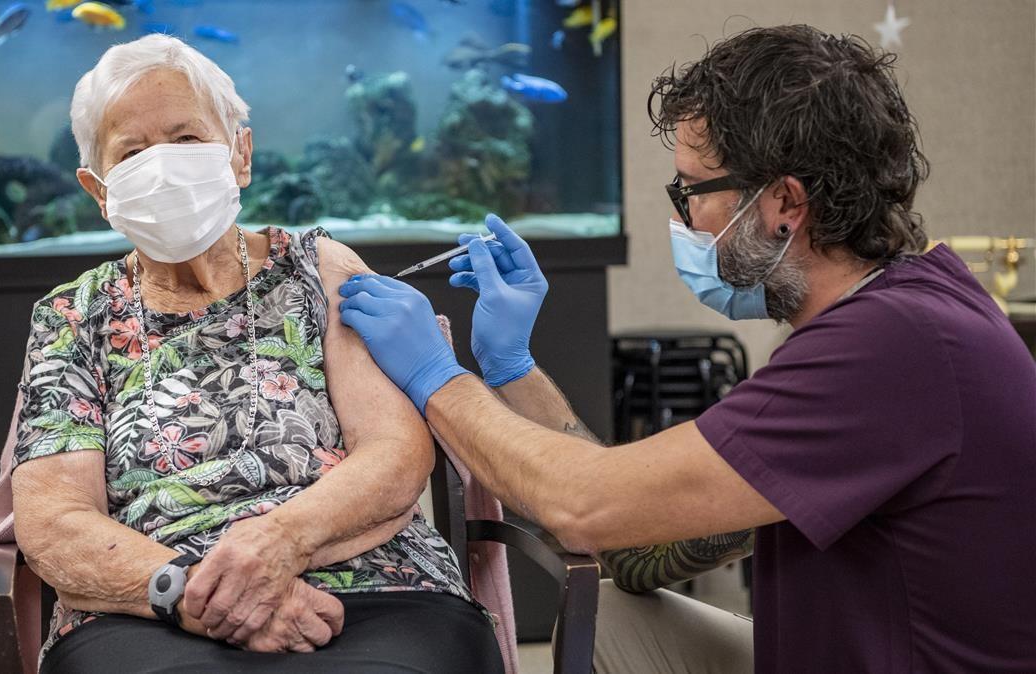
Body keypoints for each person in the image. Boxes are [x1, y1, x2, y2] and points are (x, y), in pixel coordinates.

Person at [338, 25, 1036, 673]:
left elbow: (582, 507)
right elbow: (635, 549)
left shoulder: (890, 351)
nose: (682, 218)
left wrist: (438, 378)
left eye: (691, 191)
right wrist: (512, 368)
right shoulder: (896, 311)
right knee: (611, 617)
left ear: (783, 203)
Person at [10, 35, 502, 673]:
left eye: (187, 140)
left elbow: (396, 454)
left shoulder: (320, 270)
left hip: (378, 588)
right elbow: (54, 523)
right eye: (132, 152)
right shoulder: (73, 317)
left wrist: (275, 544)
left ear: (240, 153)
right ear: (99, 190)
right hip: (152, 609)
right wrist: (197, 595)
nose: (162, 165)